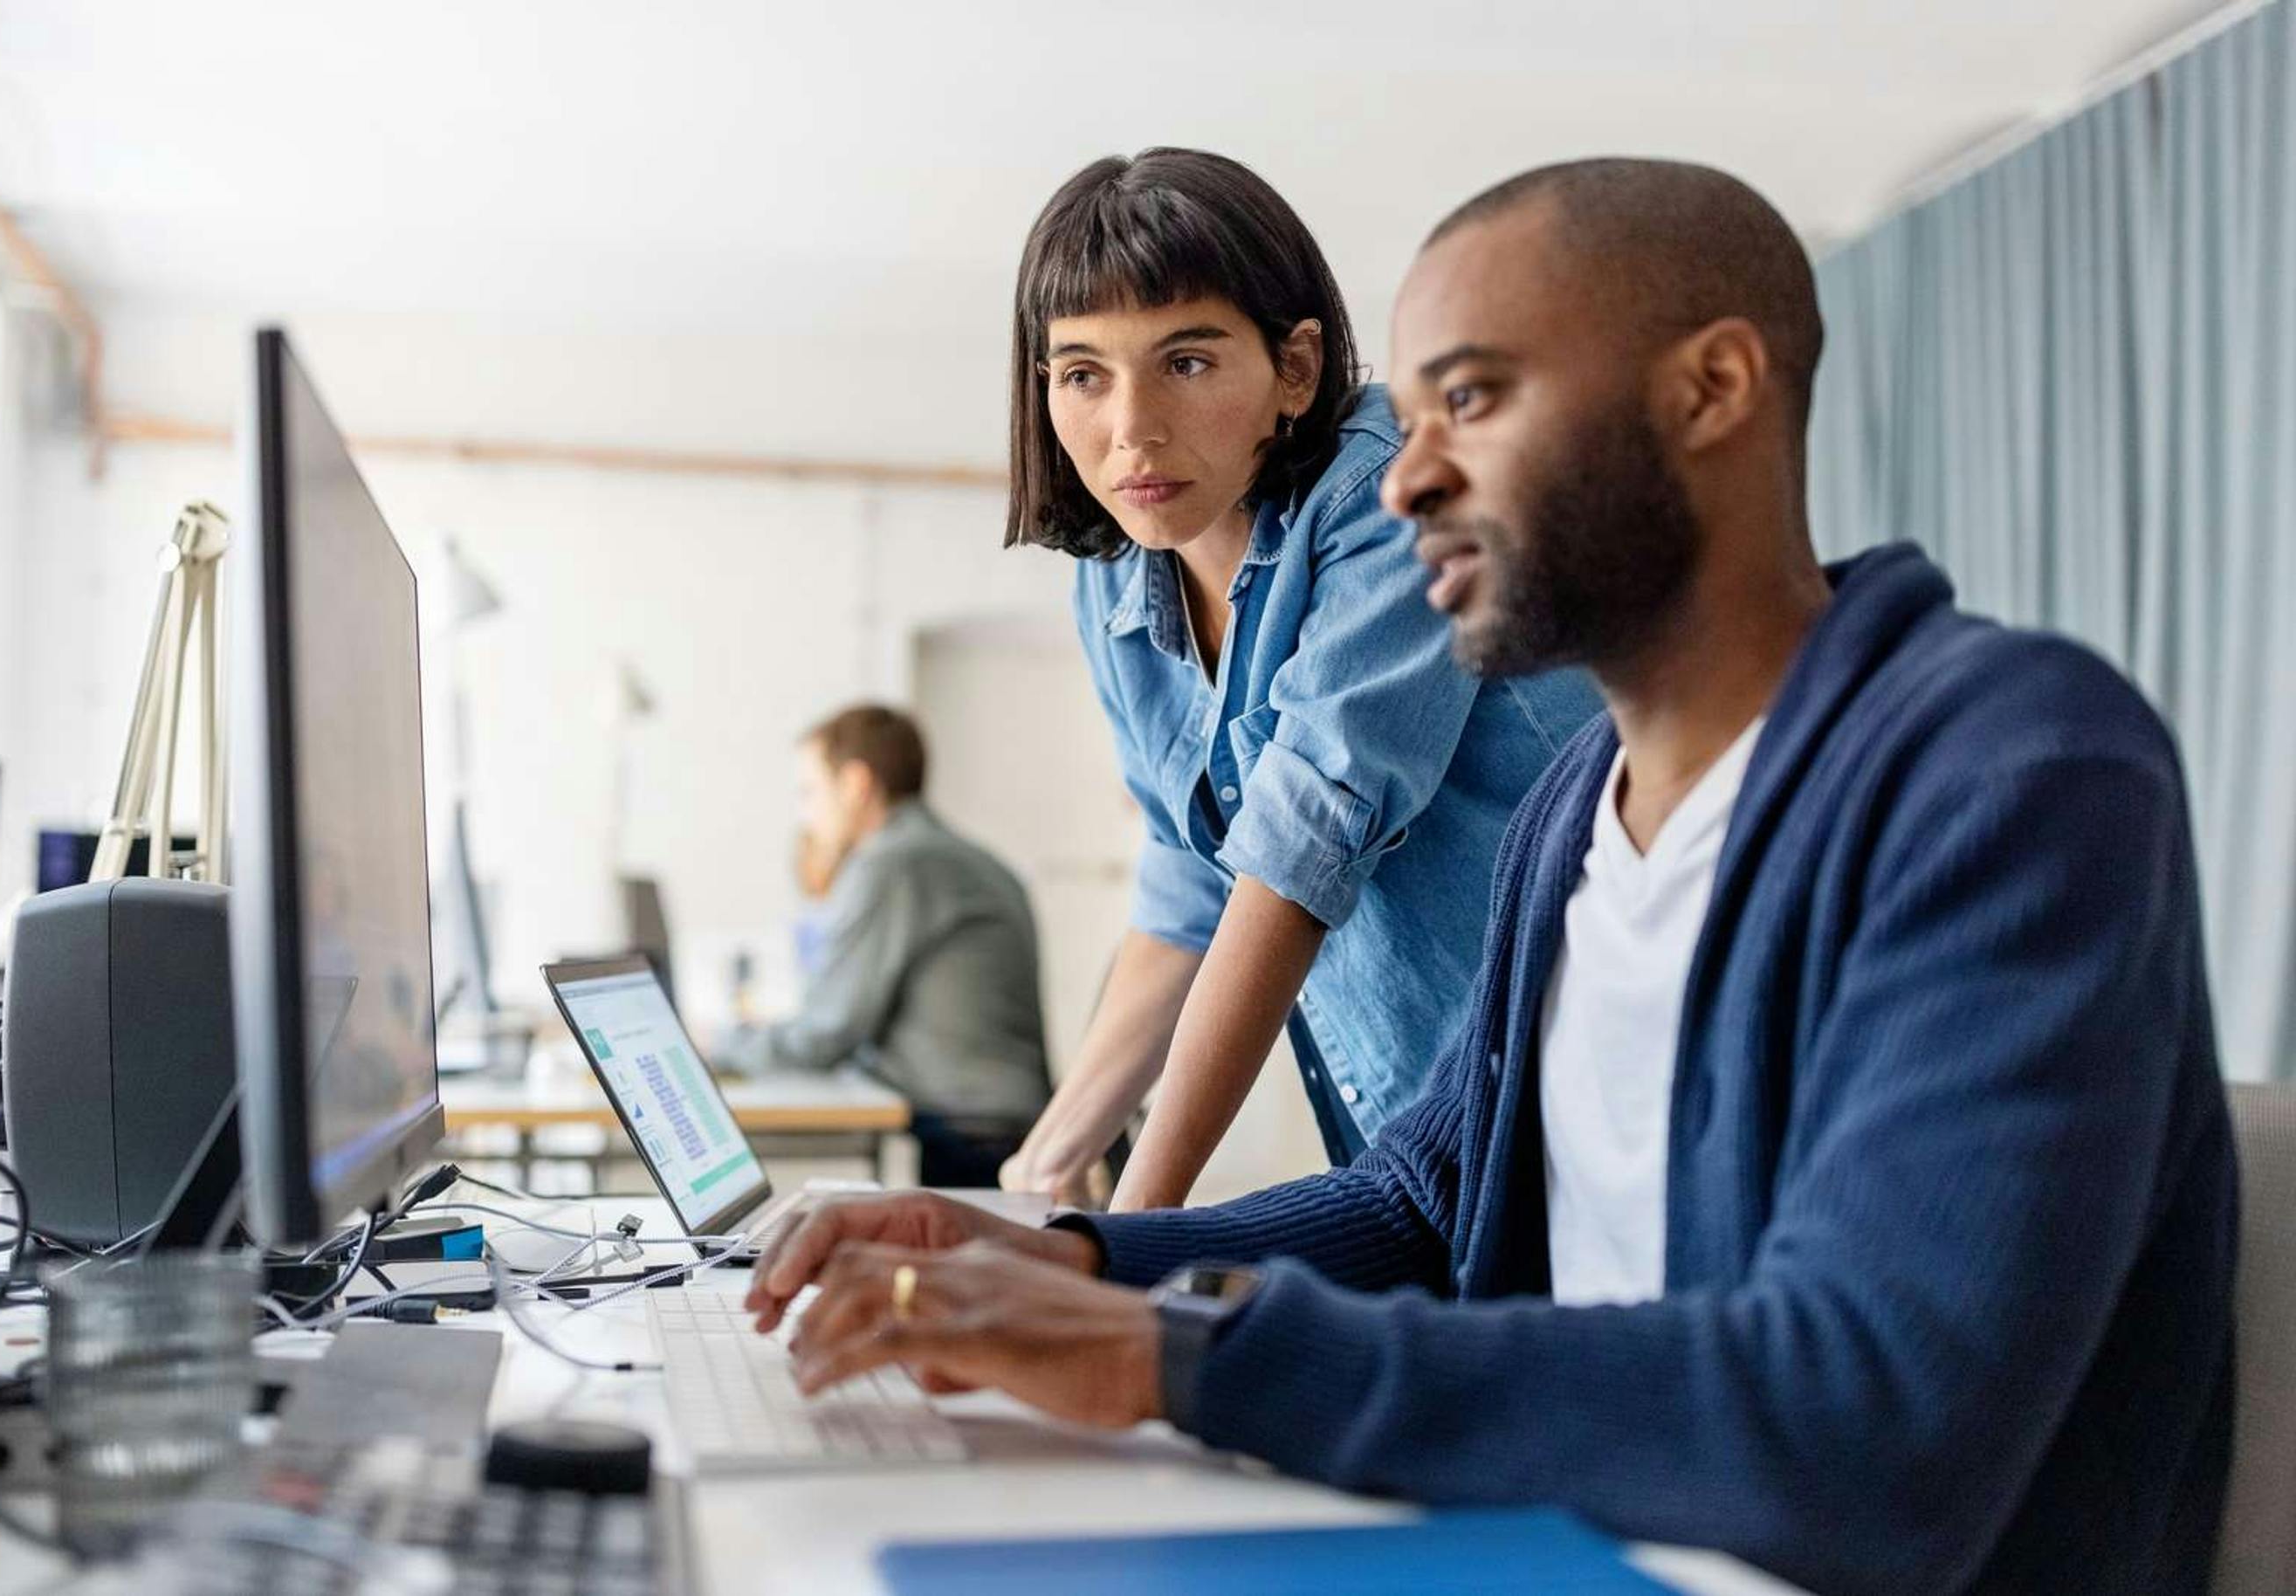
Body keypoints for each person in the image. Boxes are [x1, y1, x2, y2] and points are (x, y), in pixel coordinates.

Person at [744, 161, 2238, 1594]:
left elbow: (1866, 1426)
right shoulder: (1574, 810)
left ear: (1712, 390)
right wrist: (1068, 1254)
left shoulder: (2012, 770)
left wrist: (1175, 1354)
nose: (1405, 481)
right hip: (1572, 1526)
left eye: (1467, 398)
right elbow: (1417, 1199)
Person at [998, 148, 1598, 1209]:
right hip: (1422, 1143)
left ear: (1296, 368)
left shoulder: (1398, 496)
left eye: (1185, 362)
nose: (1129, 427)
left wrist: (1130, 1230)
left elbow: (1297, 848)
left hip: (1593, 1102)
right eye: (1082, 373)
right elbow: (1192, 886)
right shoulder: (1114, 576)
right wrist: (1048, 1167)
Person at [711, 705, 1051, 1187]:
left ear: (855, 784)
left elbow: (825, 1035)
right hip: (1002, 1126)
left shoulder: (893, 864)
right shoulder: (959, 855)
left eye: (809, 792)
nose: (805, 814)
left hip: (968, 1137)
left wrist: (720, 1042)